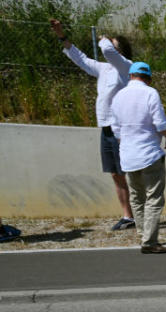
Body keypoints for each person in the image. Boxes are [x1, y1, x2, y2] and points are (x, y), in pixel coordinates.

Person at [50, 19, 136, 231]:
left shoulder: (126, 66)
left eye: (113, 44)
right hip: (105, 127)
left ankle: (143, 211)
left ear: (121, 50)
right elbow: (80, 58)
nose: (108, 45)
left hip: (121, 129)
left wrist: (104, 39)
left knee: (131, 173)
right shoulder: (104, 69)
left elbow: (107, 51)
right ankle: (128, 217)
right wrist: (62, 35)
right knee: (115, 174)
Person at [110, 62, 166, 254]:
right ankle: (150, 242)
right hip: (149, 154)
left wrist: (126, 143)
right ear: (148, 77)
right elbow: (159, 121)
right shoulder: (150, 93)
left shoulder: (118, 96)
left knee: (137, 198)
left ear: (131, 76)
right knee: (154, 198)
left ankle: (143, 235)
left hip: (128, 156)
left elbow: (115, 128)